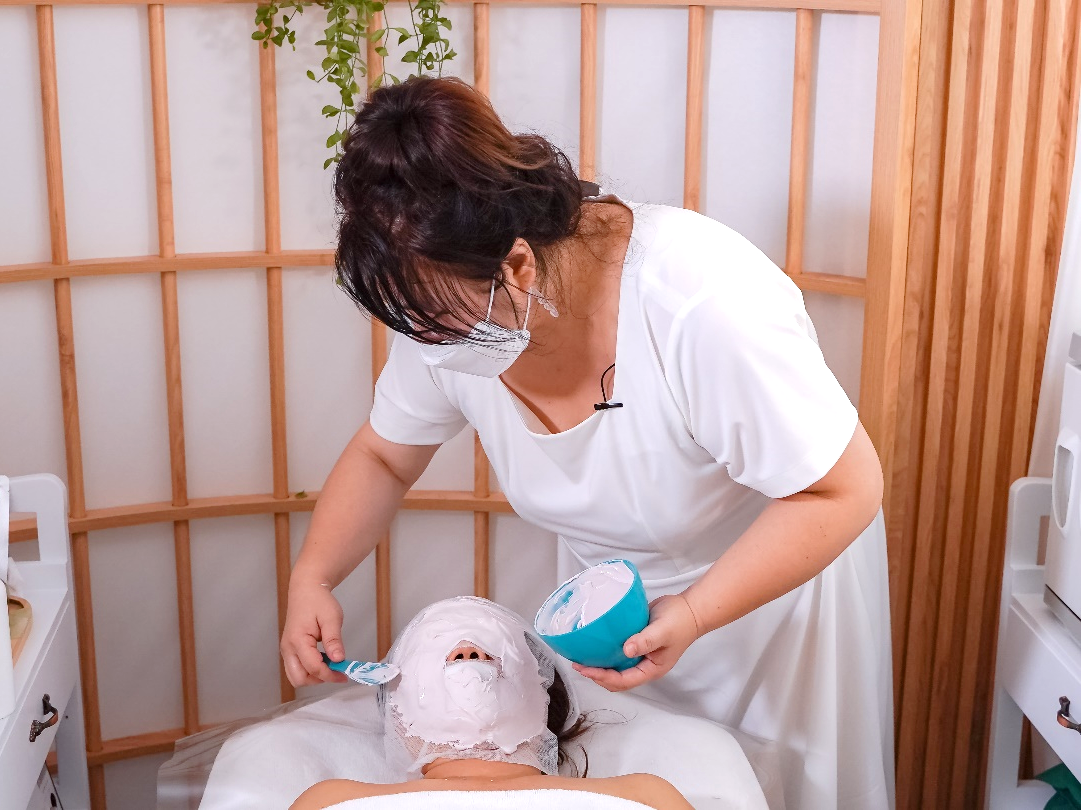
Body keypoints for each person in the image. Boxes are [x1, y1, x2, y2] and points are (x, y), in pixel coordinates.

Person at [280, 74, 894, 809]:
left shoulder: (699, 302)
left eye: (437, 323)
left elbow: (842, 488)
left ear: (517, 266)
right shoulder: (444, 314)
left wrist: (696, 613)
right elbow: (385, 456)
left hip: (773, 601)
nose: (426, 346)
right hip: (618, 628)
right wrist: (313, 576)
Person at [290, 596, 692, 810]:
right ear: (397, 720)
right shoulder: (328, 801)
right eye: (437, 649)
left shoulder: (646, 797)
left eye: (493, 648)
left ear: (545, 697)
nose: (468, 655)